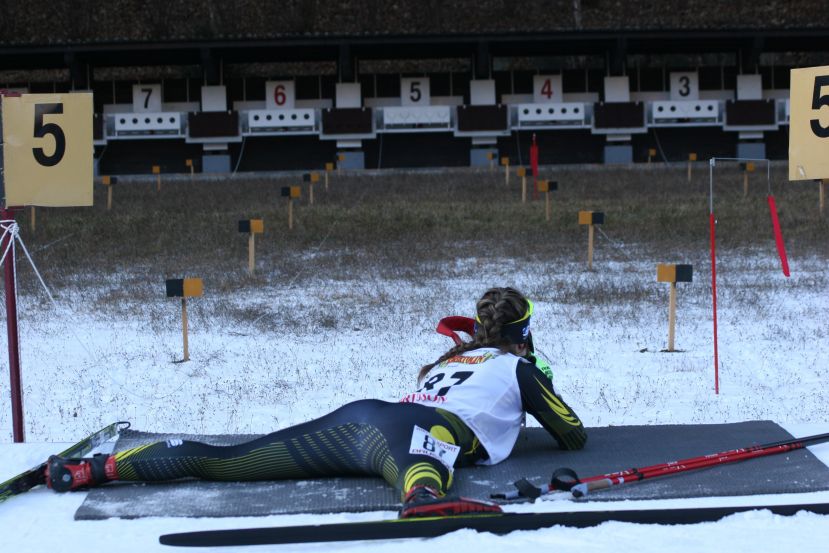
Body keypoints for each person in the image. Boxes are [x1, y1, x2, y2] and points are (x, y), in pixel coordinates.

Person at [46, 287, 587, 518]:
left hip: (363, 417)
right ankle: (422, 494)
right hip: (411, 431)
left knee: (227, 461)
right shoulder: (518, 366)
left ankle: (96, 469)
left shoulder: (453, 360)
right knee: (428, 454)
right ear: (523, 335)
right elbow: (572, 433)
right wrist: (540, 379)